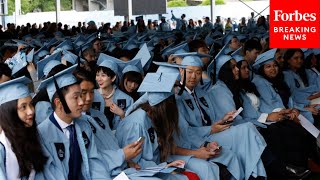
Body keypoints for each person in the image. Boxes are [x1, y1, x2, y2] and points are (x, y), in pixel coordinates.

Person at [116, 72, 220, 180]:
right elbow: (133, 163)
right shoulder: (136, 124)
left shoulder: (153, 116)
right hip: (144, 172)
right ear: (164, 108)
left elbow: (165, 146)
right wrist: (163, 167)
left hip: (159, 163)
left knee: (197, 172)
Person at [177, 55, 267, 179]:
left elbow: (211, 118)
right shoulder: (176, 97)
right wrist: (211, 129)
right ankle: (255, 175)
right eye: (190, 72)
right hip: (198, 139)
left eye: (198, 72)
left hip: (211, 133)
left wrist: (223, 119)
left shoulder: (201, 92)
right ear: (181, 71)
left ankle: (255, 174)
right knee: (246, 129)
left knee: (247, 129)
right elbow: (185, 131)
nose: (193, 76)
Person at [37, 65, 109, 179]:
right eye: (76, 98)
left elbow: (94, 163)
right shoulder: (41, 135)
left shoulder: (84, 124)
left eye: (81, 95)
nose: (82, 102)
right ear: (59, 103)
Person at [0, 77, 57, 179]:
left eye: (31, 105)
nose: (31, 111)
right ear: (9, 113)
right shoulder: (2, 148)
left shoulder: (32, 137)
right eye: (23, 107)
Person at [96, 54, 133, 130]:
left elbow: (131, 127)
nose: (99, 79)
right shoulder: (92, 96)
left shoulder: (126, 99)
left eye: (103, 75)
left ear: (113, 78)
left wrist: (122, 115)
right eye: (97, 75)